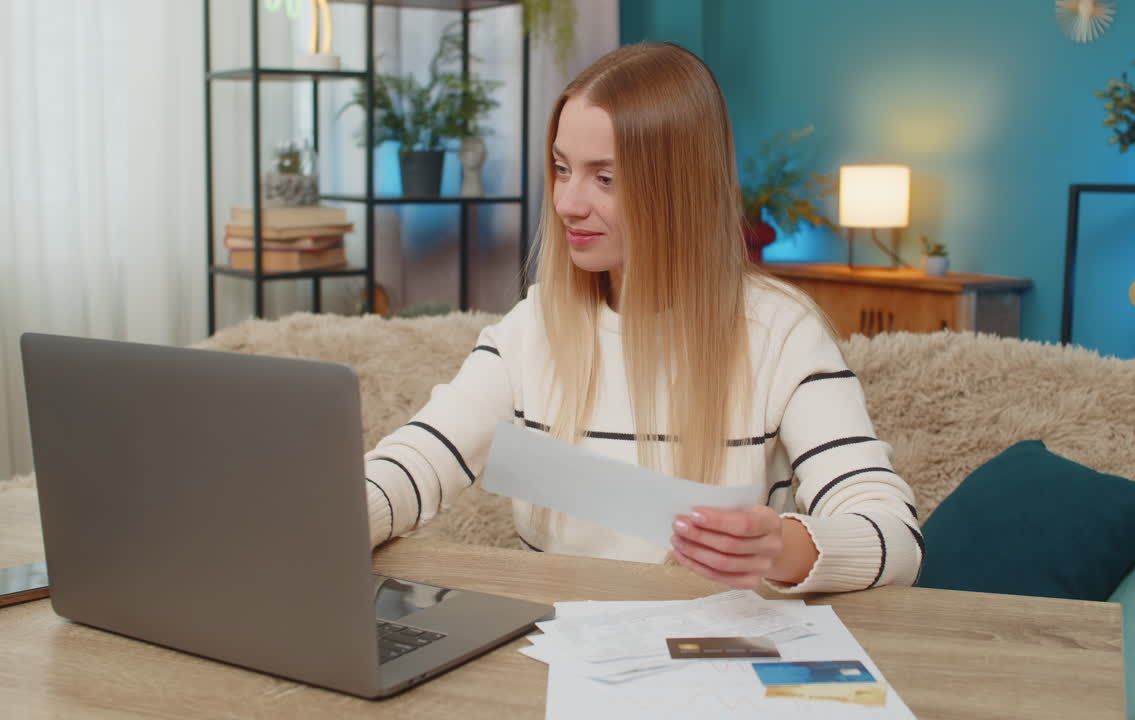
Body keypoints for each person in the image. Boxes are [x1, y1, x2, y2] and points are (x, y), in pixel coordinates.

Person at [361, 43, 922, 594]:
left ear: (678, 190)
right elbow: (415, 465)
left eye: (605, 179)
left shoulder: (783, 334)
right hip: (557, 652)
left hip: (719, 659)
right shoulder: (533, 327)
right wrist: (325, 517)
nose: (567, 204)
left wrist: (781, 547)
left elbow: (893, 537)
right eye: (562, 169)